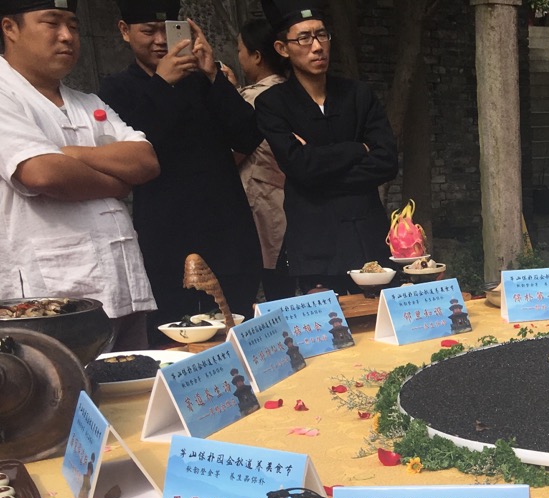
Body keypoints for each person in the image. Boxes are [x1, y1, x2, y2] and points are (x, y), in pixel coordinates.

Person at [100, 3, 262, 345]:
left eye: (168, 30)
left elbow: (248, 136)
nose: (161, 40)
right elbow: (138, 149)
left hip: (227, 230)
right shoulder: (116, 89)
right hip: (165, 237)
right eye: (148, 31)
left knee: (236, 332)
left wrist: (213, 75)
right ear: (125, 31)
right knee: (174, 338)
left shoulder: (203, 80)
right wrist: (162, 83)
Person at [0, 0, 157, 348]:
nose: (67, 36)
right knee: (64, 380)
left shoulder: (88, 102)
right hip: (49, 299)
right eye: (52, 23)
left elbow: (145, 161)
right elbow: (42, 173)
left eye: (73, 25)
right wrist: (116, 184)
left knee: (133, 376)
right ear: (10, 28)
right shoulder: (5, 93)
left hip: (122, 283)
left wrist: (70, 154)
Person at [254, 0, 399, 294]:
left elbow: (387, 162)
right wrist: (358, 150)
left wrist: (316, 168)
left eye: (321, 35)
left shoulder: (359, 95)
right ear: (282, 48)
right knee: (327, 319)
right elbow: (300, 168)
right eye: (304, 38)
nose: (317, 47)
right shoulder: (272, 104)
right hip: (315, 243)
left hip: (367, 233)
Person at [235, 17, 291, 301]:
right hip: (286, 197)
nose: (239, 57)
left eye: (240, 50)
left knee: (270, 279)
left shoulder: (254, 99)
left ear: (257, 56)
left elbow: (232, 153)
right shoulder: (290, 91)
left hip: (261, 198)